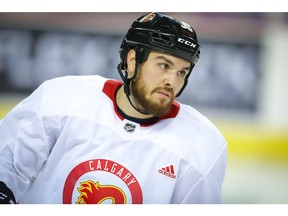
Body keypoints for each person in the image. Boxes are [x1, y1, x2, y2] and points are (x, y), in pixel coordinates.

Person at [0, 12, 227, 204]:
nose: (172, 81)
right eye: (164, 65)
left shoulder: (201, 145)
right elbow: (6, 169)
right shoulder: (62, 97)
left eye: (182, 72)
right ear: (132, 60)